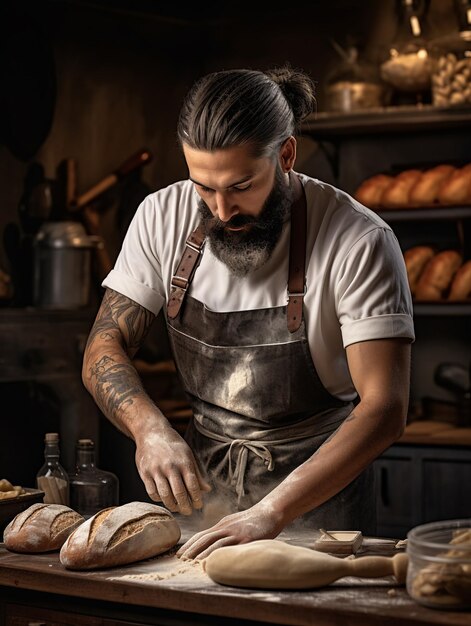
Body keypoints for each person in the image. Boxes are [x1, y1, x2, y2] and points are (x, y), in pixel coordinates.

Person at [82, 65, 414, 560]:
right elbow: (102, 348)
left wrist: (272, 511)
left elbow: (385, 408)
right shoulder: (159, 216)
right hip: (200, 501)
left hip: (319, 510)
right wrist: (149, 430)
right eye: (203, 187)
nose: (221, 210)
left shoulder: (358, 240)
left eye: (240, 186)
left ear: (286, 155)